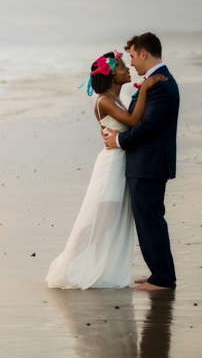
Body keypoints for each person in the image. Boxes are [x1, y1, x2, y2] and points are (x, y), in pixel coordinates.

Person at [47, 50, 167, 290]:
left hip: (122, 163)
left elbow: (132, 120)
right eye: (121, 66)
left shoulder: (116, 99)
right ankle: (71, 267)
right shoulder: (103, 100)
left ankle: (93, 265)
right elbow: (134, 121)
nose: (127, 68)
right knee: (98, 219)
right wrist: (144, 89)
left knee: (109, 221)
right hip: (111, 167)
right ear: (110, 74)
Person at [101, 33, 179, 291]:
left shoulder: (159, 83)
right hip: (148, 163)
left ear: (144, 53)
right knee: (151, 220)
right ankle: (161, 273)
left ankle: (162, 279)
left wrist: (120, 141)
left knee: (150, 221)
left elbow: (149, 126)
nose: (132, 63)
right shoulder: (154, 81)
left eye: (133, 56)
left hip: (150, 164)